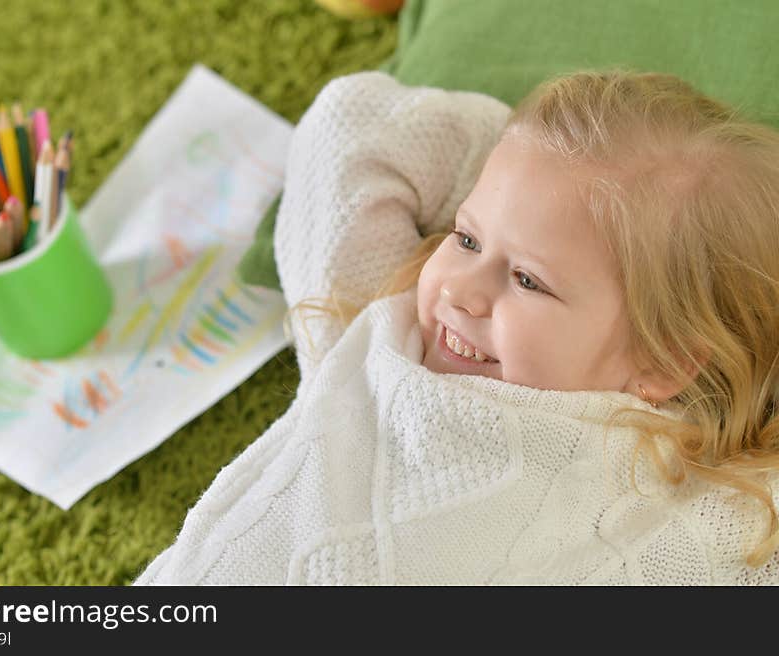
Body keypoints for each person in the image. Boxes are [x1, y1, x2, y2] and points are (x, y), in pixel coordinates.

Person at [135, 70, 779, 585]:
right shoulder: (370, 334)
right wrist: (535, 152)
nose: (462, 291)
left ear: (663, 361)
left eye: (528, 280)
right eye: (465, 236)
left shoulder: (681, 496)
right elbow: (347, 119)